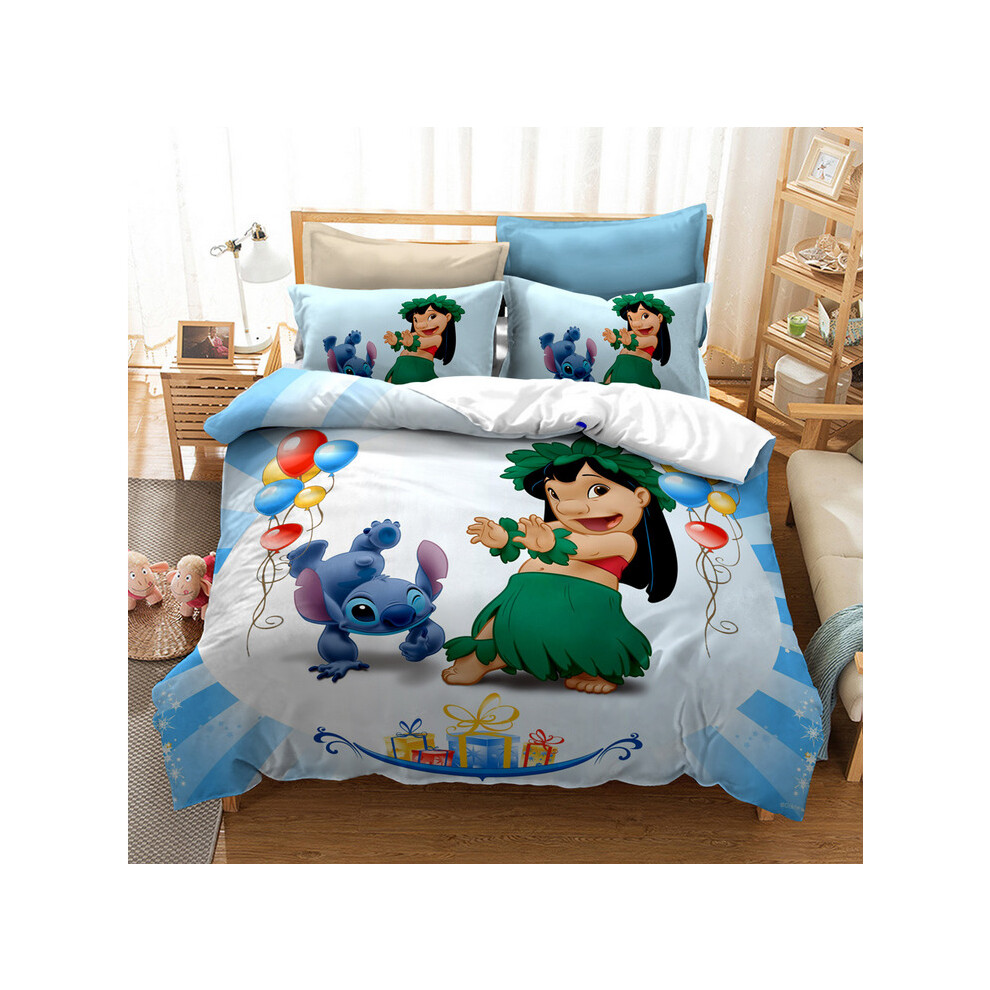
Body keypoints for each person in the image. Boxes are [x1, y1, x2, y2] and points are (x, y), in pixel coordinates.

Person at [443, 437, 678, 694]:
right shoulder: (558, 526)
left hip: (580, 599)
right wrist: (502, 537)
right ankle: (477, 660)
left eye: (598, 491)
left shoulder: (622, 541)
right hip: (524, 589)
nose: (569, 507)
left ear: (640, 496)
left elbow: (586, 548)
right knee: (496, 626)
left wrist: (548, 543)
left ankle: (594, 670)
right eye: (555, 495)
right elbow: (522, 533)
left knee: (584, 639)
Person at [383, 294, 463, 384]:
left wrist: (411, 342)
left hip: (418, 369)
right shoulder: (414, 334)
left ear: (447, 317)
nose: (420, 325)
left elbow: (422, 343)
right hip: (400, 365)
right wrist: (396, 341)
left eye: (432, 317)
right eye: (416, 320)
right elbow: (403, 339)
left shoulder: (436, 338)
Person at [602, 292, 674, 389]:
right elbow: (622, 337)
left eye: (645, 316)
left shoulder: (652, 339)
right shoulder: (632, 333)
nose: (636, 324)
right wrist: (615, 339)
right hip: (620, 364)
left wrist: (629, 342)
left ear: (659, 318)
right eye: (631, 318)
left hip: (637, 369)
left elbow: (640, 343)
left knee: (629, 389)